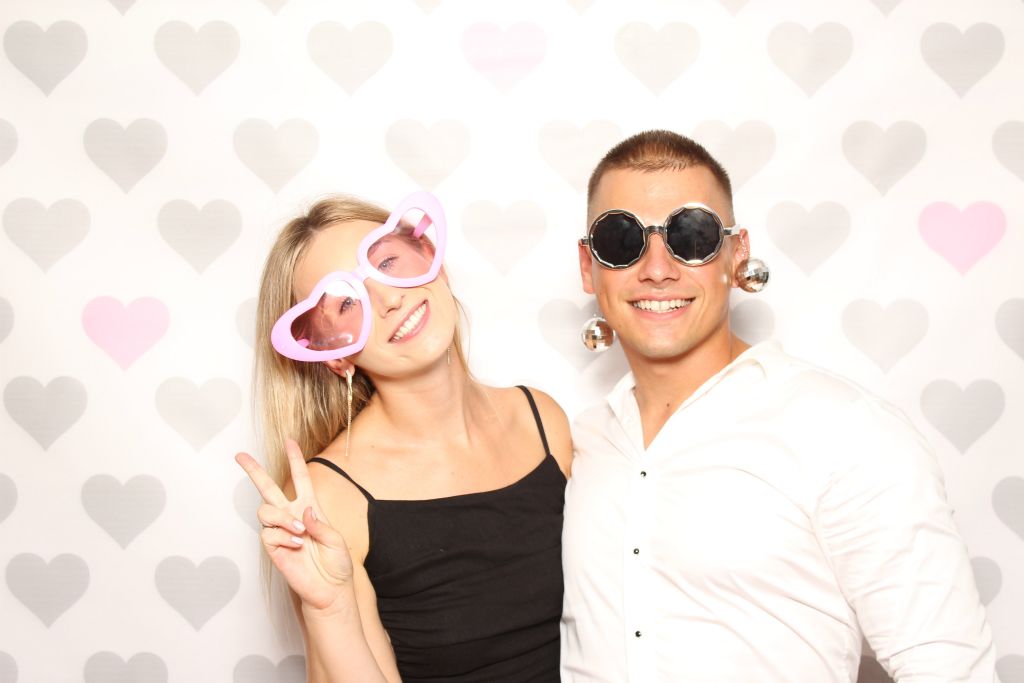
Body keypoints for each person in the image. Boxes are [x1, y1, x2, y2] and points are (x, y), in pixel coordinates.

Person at [560, 130, 996, 681]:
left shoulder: (847, 432)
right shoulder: (583, 444)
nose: (657, 268)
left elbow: (948, 666)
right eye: (621, 240)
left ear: (736, 254)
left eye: (691, 236)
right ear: (588, 266)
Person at [235, 191, 572, 682]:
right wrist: (331, 609)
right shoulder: (328, 498)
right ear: (334, 354)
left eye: (388, 262)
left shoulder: (542, 420)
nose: (389, 298)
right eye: (346, 302)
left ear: (434, 262)